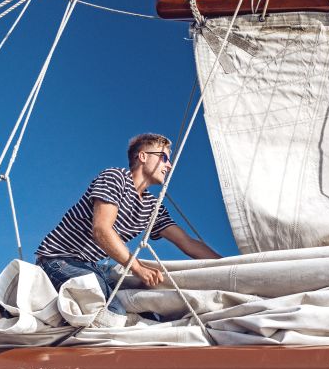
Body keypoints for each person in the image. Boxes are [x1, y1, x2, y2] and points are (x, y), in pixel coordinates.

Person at [34, 133, 220, 317]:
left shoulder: (152, 206)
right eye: (163, 158)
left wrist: (233, 266)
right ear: (143, 156)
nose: (169, 165)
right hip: (59, 259)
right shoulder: (116, 177)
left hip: (92, 266)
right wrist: (138, 269)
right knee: (114, 312)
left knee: (150, 309)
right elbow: (101, 230)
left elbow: (187, 243)